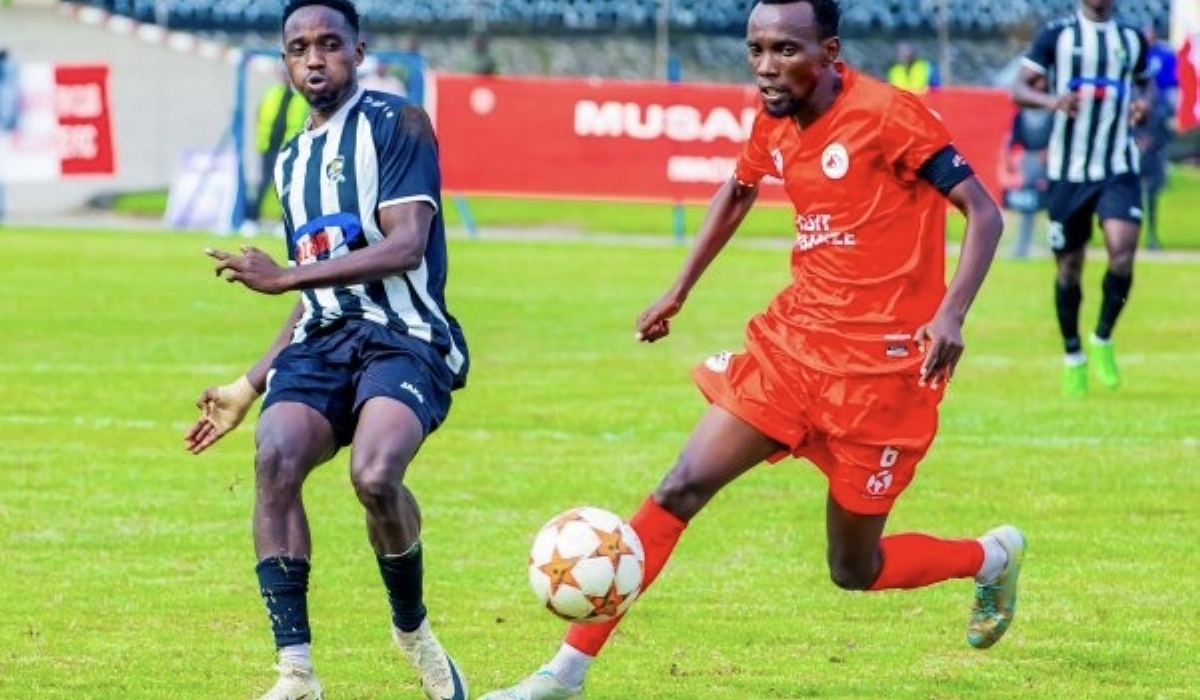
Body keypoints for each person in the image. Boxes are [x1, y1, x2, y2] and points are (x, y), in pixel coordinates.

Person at [479, 2, 1018, 699]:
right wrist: (678, 290)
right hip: (792, 354)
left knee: (853, 569)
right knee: (680, 488)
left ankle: (991, 556)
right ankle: (564, 674)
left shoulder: (888, 115)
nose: (767, 66)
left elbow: (984, 210)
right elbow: (736, 191)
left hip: (883, 375)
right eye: (756, 49)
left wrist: (951, 314)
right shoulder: (773, 118)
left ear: (828, 51)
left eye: (785, 50)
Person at [184, 2, 470, 700]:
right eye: (299, 47)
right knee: (275, 455)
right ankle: (297, 674)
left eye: (329, 44)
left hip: (404, 337)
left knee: (375, 475)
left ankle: (413, 631)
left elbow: (402, 246)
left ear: (359, 51)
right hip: (321, 342)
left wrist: (282, 272)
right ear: (284, 61)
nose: (315, 58)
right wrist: (250, 384)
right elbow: (315, 288)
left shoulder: (399, 125)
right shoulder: (291, 162)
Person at [1012, 0, 1153, 398]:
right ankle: (1073, 354)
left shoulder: (1131, 38)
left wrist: (1143, 104)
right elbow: (1020, 88)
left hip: (1117, 165)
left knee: (1123, 252)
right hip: (1068, 171)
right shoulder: (1057, 35)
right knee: (1069, 267)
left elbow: (1146, 81)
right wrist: (1052, 100)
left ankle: (1103, 336)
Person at [242, 64, 309, 236]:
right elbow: (259, 115)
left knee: (287, 187)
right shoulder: (272, 93)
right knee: (263, 183)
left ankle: (283, 223)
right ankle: (251, 219)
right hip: (268, 147)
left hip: (290, 149)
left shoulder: (303, 96)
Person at [1000, 78, 1054, 258]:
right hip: (1030, 161)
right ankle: (1023, 246)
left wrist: (1050, 151)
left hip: (1052, 161)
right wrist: (1009, 159)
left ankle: (1054, 244)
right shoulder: (1022, 114)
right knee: (1027, 204)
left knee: (1052, 203)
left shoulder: (1053, 111)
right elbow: (1013, 138)